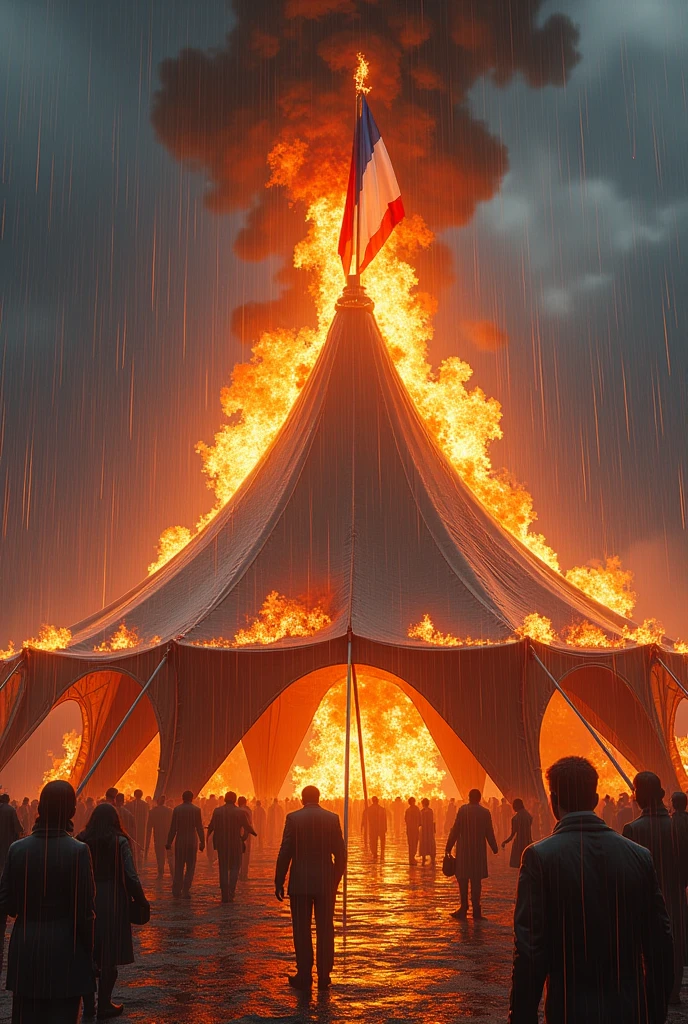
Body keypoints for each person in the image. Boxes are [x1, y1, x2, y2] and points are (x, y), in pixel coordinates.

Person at [509, 756, 674, 1024]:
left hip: (569, 1011)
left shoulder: (540, 858)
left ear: (553, 800)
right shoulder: (638, 856)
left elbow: (529, 952)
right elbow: (660, 942)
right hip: (628, 1009)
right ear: (595, 798)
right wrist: (653, 1011)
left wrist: (521, 1017)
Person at [0, 780, 96, 1023]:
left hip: (26, 945)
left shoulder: (17, 849)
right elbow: (85, 912)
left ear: (39, 808)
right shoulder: (78, 851)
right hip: (66, 947)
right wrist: (91, 953)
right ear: (72, 811)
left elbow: (7, 905)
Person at [78, 802, 149, 1018]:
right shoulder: (120, 842)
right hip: (113, 899)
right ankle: (105, 1003)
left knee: (87, 953)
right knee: (109, 954)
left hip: (87, 899)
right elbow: (131, 874)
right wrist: (141, 899)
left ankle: (89, 1005)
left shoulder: (81, 841)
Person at [623, 771, 687, 1005]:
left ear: (640, 795)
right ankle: (672, 992)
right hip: (674, 896)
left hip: (644, 900)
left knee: (645, 947)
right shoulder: (677, 827)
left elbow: (627, 876)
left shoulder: (632, 830)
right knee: (675, 945)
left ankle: (650, 991)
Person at [275, 785, 346, 991]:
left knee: (301, 929)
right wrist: (334, 880)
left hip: (300, 882)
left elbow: (285, 851)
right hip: (325, 882)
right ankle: (324, 974)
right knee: (325, 928)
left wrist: (279, 880)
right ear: (319, 798)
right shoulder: (331, 818)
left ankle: (304, 974)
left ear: (301, 799)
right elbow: (340, 854)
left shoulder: (293, 818)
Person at [445, 788, 497, 920]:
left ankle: (463, 908)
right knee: (476, 881)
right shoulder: (485, 812)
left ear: (469, 797)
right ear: (479, 798)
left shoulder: (463, 810)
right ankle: (476, 910)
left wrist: (448, 846)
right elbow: (489, 831)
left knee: (462, 880)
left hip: (463, 851)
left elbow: (455, 829)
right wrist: (494, 846)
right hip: (478, 852)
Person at [207, 792, 256, 902]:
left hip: (222, 844)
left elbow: (211, 827)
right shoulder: (240, 812)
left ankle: (224, 893)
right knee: (235, 867)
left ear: (225, 799)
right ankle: (231, 891)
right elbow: (247, 827)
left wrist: (207, 839)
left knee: (223, 868)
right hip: (235, 843)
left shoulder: (217, 811)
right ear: (235, 800)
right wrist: (252, 833)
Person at [166, 790, 205, 897]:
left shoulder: (177, 810)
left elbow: (173, 828)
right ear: (192, 798)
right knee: (190, 867)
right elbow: (199, 827)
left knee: (179, 866)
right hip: (192, 841)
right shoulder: (196, 810)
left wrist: (169, 842)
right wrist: (202, 841)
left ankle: (176, 889)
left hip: (180, 840)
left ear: (182, 798)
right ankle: (186, 890)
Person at [146, 794, 174, 878]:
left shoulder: (152, 811)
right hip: (169, 836)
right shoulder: (170, 811)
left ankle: (160, 872)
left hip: (158, 836)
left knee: (159, 855)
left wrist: (147, 838)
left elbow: (149, 826)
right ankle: (173, 872)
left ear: (157, 801)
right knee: (170, 854)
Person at [501, 798, 533, 869]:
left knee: (520, 864)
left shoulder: (515, 818)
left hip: (519, 843)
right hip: (528, 842)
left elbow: (512, 834)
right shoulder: (529, 816)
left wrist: (505, 842)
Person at [0, 793, 22, 872]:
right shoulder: (11, 809)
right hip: (8, 836)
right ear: (8, 800)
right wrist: (21, 830)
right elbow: (16, 823)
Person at [127, 789, 148, 867]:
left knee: (133, 847)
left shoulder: (130, 805)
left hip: (132, 828)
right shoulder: (145, 805)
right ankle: (140, 864)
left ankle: (134, 864)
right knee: (140, 847)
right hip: (142, 829)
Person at [237, 795, 254, 880]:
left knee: (238, 854)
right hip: (247, 835)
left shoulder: (237, 811)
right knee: (246, 855)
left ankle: (239, 872)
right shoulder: (248, 810)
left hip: (238, 835)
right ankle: (244, 873)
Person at [419, 798, 436, 866]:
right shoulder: (430, 811)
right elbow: (433, 821)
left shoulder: (422, 811)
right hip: (430, 830)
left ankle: (423, 858)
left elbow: (419, 822)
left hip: (424, 830)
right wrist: (434, 830)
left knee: (423, 843)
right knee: (430, 843)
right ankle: (432, 857)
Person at [405, 797, 421, 865]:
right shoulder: (417, 809)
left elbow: (405, 820)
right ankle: (412, 858)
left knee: (410, 844)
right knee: (414, 844)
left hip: (409, 830)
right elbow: (420, 820)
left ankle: (411, 858)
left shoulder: (407, 810)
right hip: (414, 829)